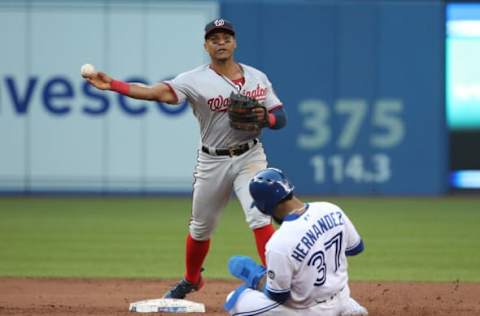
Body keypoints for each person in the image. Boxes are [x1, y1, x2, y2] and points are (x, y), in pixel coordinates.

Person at [82, 18, 287, 299]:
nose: (221, 42)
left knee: (259, 217)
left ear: (235, 42)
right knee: (200, 229)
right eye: (214, 38)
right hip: (212, 160)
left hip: (250, 156)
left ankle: (278, 283)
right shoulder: (194, 79)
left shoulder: (256, 77)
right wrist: (114, 85)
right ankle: (192, 279)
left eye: (226, 37)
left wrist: (268, 117)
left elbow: (281, 117)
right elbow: (158, 92)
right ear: (206, 45)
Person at [224, 168, 368, 316]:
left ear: (265, 206)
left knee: (235, 300)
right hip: (341, 295)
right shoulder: (331, 208)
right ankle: (348, 306)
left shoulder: (279, 242)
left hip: (310, 310)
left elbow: (278, 295)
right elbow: (356, 248)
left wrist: (255, 276)